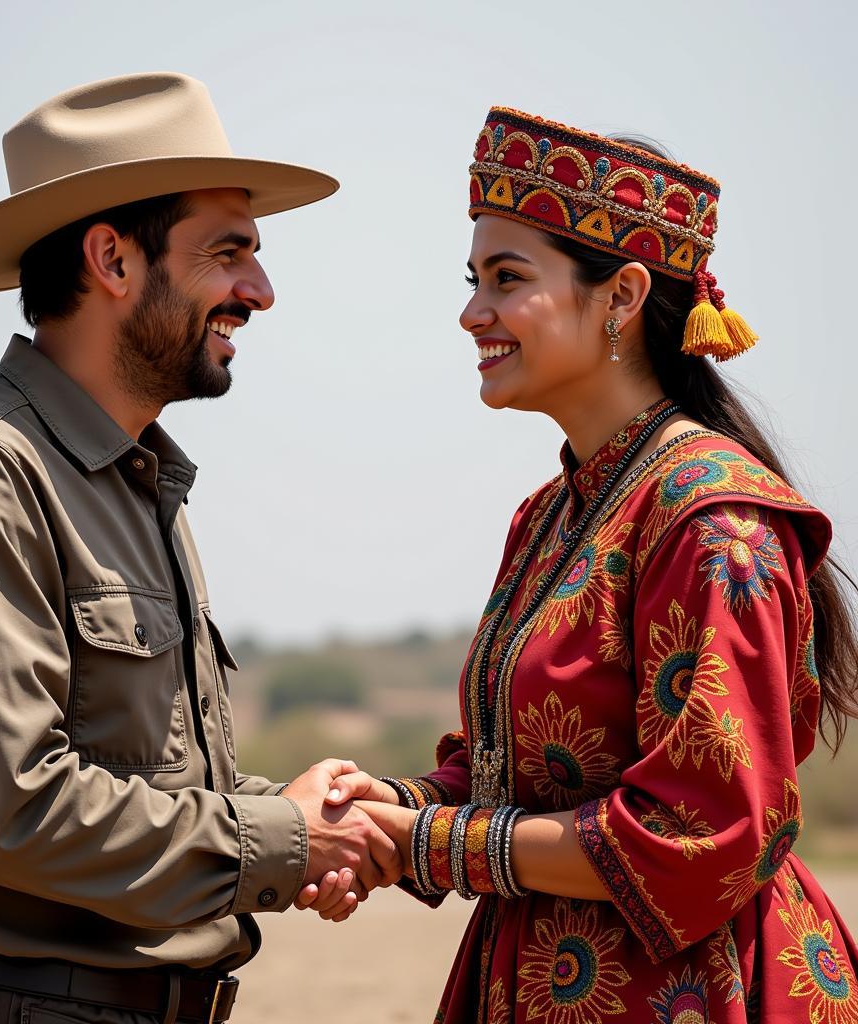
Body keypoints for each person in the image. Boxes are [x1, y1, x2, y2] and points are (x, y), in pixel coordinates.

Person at [0, 72, 401, 1024]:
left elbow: (156, 785)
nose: (259, 291)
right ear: (111, 257)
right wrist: (283, 838)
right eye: (228, 253)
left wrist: (326, 820)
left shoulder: (136, 484)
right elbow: (15, 816)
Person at [323, 106, 858, 1022]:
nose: (471, 311)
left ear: (620, 297)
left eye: (507, 278)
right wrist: (391, 805)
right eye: (473, 277)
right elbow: (510, 775)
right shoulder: (551, 516)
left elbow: (704, 829)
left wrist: (428, 843)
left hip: (689, 992)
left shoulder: (713, 521)